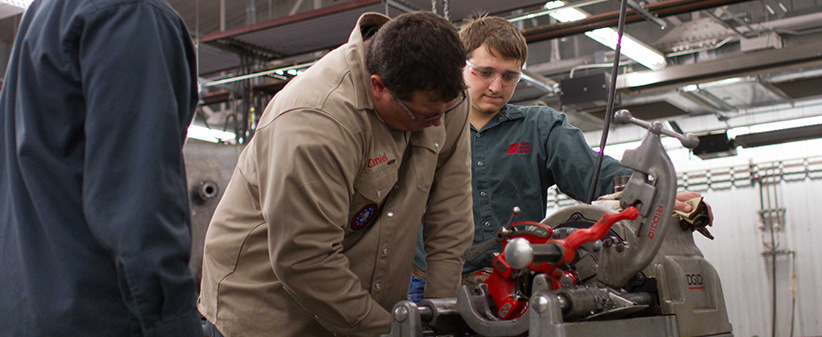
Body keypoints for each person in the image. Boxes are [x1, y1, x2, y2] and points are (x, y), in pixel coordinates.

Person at [197, 11, 473, 337]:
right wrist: (390, 330)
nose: (439, 123)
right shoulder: (315, 119)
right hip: (269, 311)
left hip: (359, 306)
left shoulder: (443, 98)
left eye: (446, 110)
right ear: (378, 87)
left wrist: (440, 317)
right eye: (425, 115)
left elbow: (450, 214)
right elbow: (305, 258)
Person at [409, 15, 704, 301]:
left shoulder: (539, 127)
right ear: (461, 66)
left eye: (509, 76)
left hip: (517, 286)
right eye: (484, 72)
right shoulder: (424, 125)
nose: (496, 86)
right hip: (428, 284)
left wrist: (657, 196)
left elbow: (597, 175)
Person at [0, 0, 201, 336]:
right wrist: (175, 324)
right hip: (96, 316)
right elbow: (141, 208)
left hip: (28, 312)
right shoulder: (130, 14)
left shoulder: (46, 13)